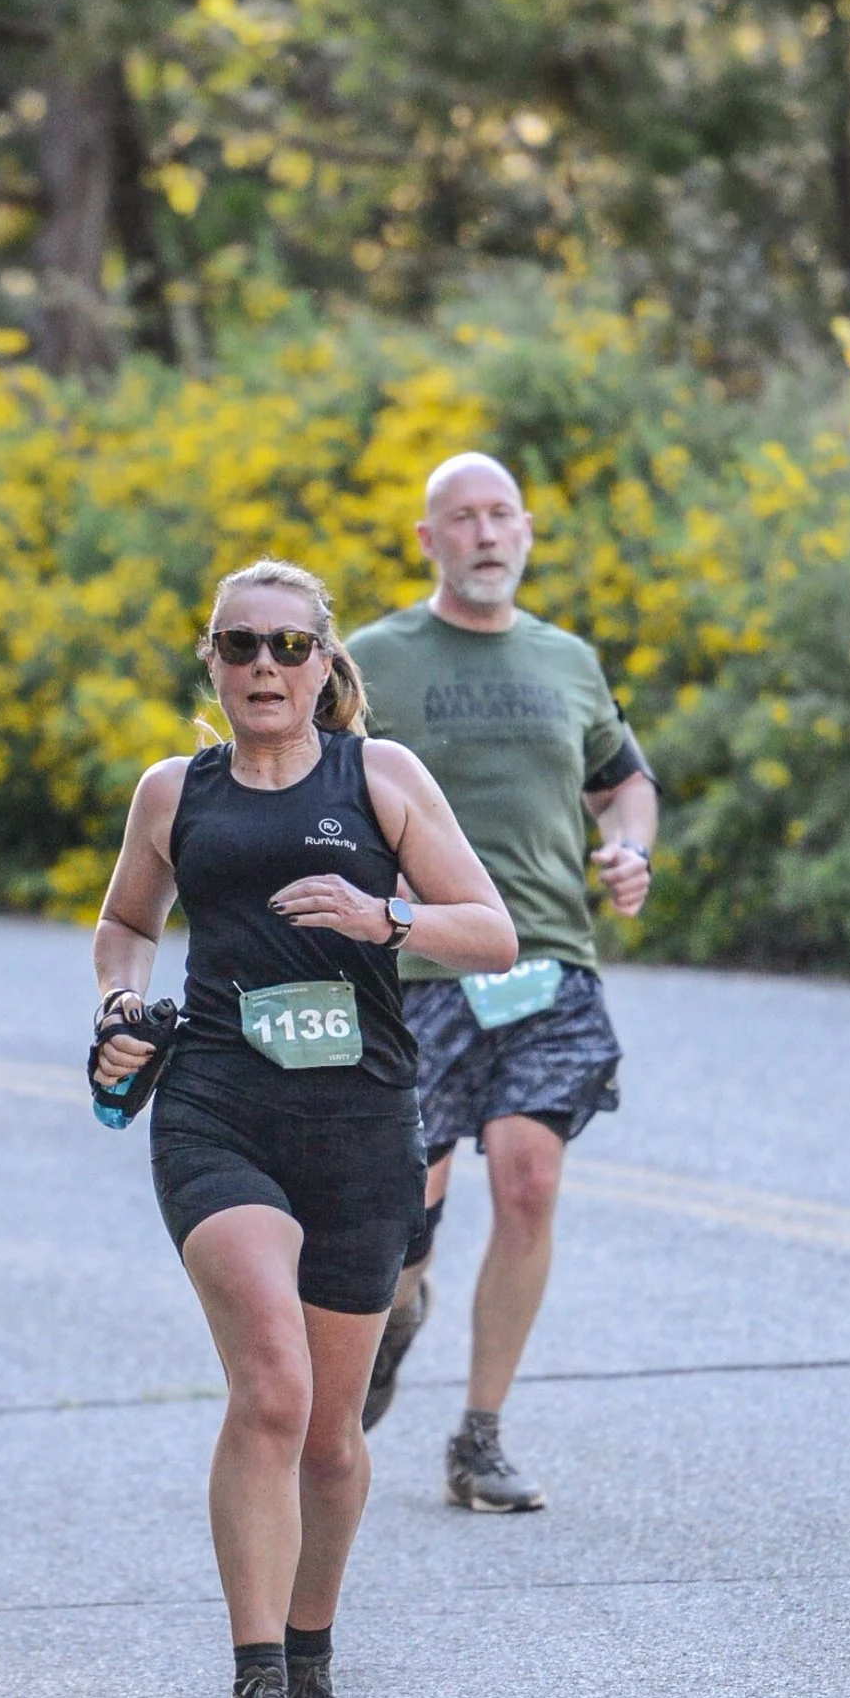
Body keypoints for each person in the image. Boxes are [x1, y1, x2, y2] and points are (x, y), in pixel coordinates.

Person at [91, 558, 515, 1698]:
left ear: (327, 665)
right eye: (239, 647)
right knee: (269, 1386)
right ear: (210, 662)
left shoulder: (379, 778)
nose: (264, 669)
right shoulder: (175, 792)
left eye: (288, 647)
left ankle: (312, 1656)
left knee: (330, 1435)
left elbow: (490, 931)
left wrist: (385, 920)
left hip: (361, 1125)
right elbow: (127, 920)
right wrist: (125, 998)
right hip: (216, 1109)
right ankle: (252, 1688)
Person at [347, 453, 658, 1511]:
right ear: (427, 540)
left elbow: (625, 782)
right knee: (403, 1224)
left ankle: (479, 1436)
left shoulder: (567, 659)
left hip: (546, 963)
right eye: (461, 518)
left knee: (530, 1179)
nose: (484, 534)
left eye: (500, 515)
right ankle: (392, 1316)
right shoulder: (372, 658)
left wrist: (631, 851)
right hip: (414, 969)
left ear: (525, 532)